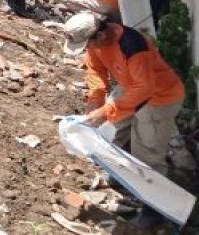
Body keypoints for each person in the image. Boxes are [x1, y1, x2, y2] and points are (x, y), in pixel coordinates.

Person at [63, 11, 186, 227]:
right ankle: (121, 173)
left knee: (147, 153)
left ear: (99, 36)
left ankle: (153, 211)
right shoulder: (96, 44)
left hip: (160, 97)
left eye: (88, 45)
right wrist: (95, 99)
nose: (88, 50)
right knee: (109, 131)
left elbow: (145, 89)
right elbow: (96, 71)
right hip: (131, 86)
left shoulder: (132, 46)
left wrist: (106, 110)